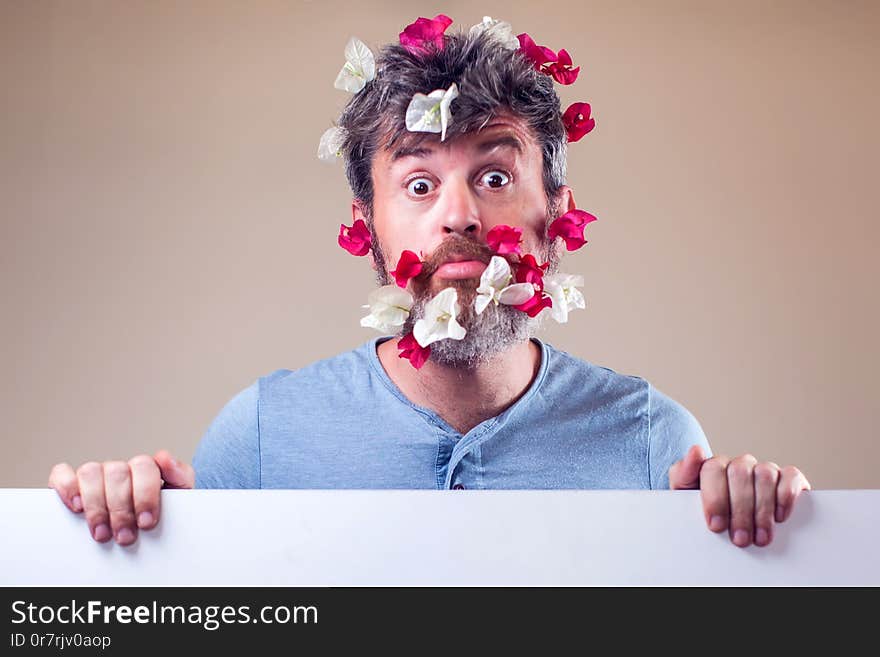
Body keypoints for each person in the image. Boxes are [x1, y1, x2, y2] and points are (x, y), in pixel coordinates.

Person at [48, 15, 810, 551]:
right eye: (418, 184)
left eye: (495, 174)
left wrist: (763, 530)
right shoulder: (258, 436)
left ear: (558, 209)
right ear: (367, 223)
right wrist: (129, 525)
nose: (460, 214)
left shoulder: (656, 441)